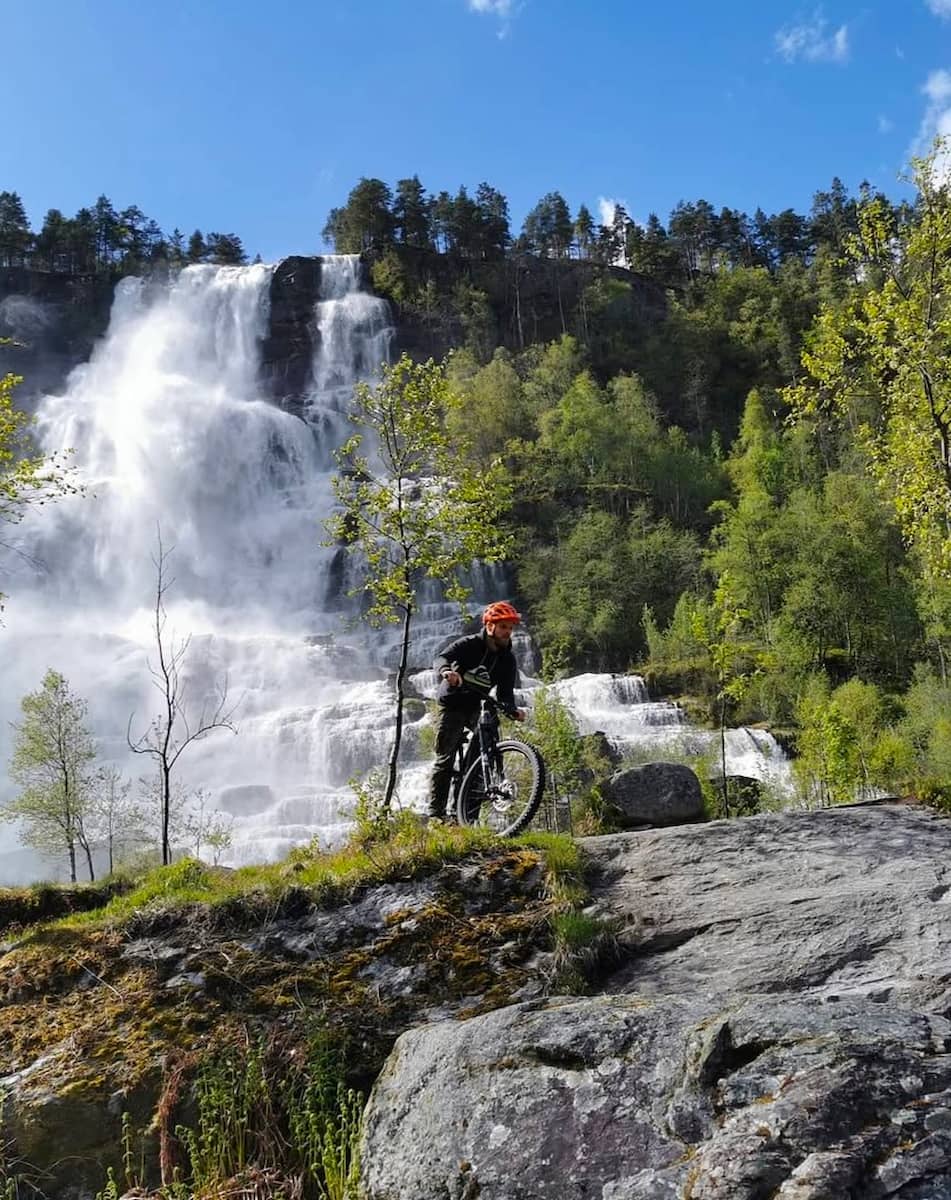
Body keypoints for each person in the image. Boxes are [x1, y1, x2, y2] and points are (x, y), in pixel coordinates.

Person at [427, 601, 526, 823]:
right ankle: (436, 815)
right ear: (490, 626)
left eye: (510, 628)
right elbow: (441, 658)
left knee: (485, 754)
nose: (507, 632)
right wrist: (446, 672)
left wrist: (513, 711)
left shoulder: (508, 659)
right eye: (503, 627)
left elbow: (505, 694)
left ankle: (466, 817)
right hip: (453, 702)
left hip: (479, 705)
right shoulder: (469, 644)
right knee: (445, 759)